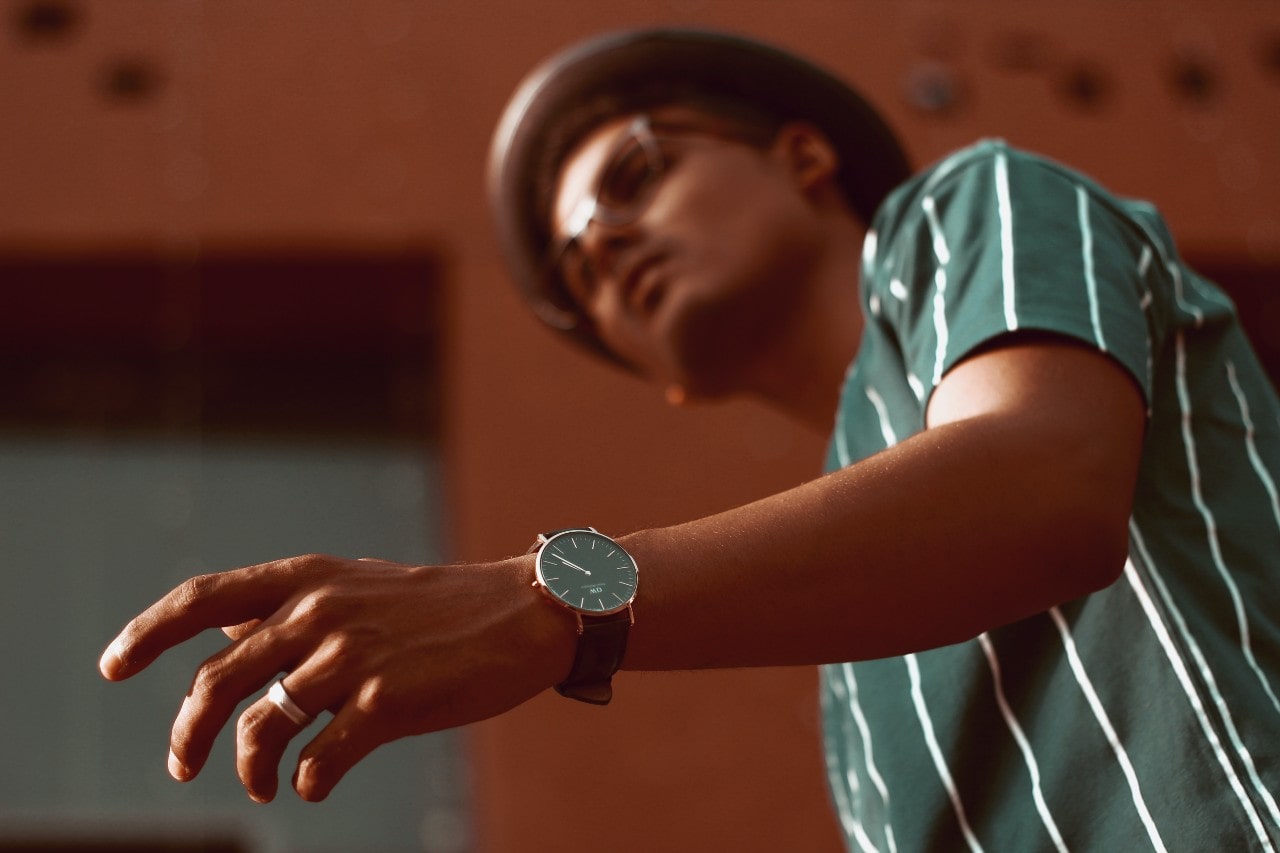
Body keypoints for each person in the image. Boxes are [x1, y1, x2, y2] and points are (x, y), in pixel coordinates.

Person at [99, 26, 1280, 851]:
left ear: (802, 157)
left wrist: (546, 602)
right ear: (663, 383)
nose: (604, 244)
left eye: (637, 174)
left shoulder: (968, 211)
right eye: (577, 269)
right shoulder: (846, 652)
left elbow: (1041, 487)